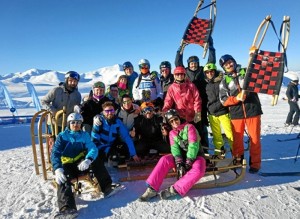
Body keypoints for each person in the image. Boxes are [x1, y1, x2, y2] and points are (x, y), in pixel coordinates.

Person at [139, 109, 206, 201]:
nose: (174, 122)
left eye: (175, 119)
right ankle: (152, 189)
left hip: (196, 155)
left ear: (179, 118)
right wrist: (179, 163)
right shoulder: (172, 133)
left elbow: (193, 145)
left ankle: (174, 189)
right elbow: (174, 149)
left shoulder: (189, 127)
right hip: (182, 157)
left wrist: (188, 162)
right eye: (171, 121)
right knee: (164, 159)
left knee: (199, 170)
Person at [219, 54, 263, 173]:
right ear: (224, 68)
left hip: (252, 110)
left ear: (234, 61)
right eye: (225, 64)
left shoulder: (246, 71)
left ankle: (255, 164)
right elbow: (223, 100)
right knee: (237, 140)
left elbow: (259, 74)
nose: (229, 65)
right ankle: (238, 160)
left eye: (230, 62)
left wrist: (254, 56)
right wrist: (236, 98)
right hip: (236, 114)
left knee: (255, 139)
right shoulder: (224, 81)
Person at [51, 113, 99, 216]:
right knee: (63, 179)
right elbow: (55, 153)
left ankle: (107, 186)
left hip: (80, 164)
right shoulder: (62, 136)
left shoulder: (84, 135)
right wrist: (57, 168)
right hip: (66, 164)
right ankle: (67, 208)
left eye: (78, 123)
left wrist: (88, 160)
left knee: (97, 161)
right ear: (69, 124)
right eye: (73, 122)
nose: (75, 125)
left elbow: (93, 148)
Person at [175, 37, 216, 151]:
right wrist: (181, 49)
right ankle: (191, 148)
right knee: (189, 127)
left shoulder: (203, 71)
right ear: (188, 64)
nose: (193, 65)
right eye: (191, 64)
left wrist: (211, 47)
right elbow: (177, 62)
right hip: (188, 106)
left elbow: (211, 62)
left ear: (198, 63)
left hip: (201, 104)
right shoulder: (185, 72)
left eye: (195, 63)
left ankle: (205, 148)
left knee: (202, 126)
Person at [91, 101, 140, 174]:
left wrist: (133, 153)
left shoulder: (117, 122)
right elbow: (94, 140)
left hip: (111, 145)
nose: (110, 113)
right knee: (114, 159)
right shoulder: (99, 121)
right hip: (100, 147)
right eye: (107, 111)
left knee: (124, 150)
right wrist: (104, 150)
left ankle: (114, 158)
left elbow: (126, 136)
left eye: (112, 110)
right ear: (103, 112)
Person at [162, 66, 203, 149]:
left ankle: (200, 153)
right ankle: (183, 155)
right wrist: (164, 113)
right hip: (180, 118)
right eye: (177, 74)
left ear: (184, 75)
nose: (180, 76)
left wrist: (197, 113)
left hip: (192, 116)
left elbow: (197, 99)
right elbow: (168, 101)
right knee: (182, 137)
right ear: (174, 76)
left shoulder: (191, 86)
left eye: (181, 74)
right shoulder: (172, 88)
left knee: (195, 136)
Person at [41, 71, 81, 143]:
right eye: (70, 81)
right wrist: (54, 111)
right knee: (55, 143)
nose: (73, 83)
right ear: (66, 80)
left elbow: (77, 108)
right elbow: (44, 101)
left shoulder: (77, 94)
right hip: (54, 122)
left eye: (75, 81)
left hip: (68, 124)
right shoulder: (57, 90)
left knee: (67, 144)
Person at [204, 63, 233, 156]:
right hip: (212, 113)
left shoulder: (222, 80)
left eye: (211, 71)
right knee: (216, 136)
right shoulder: (206, 84)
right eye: (207, 72)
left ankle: (236, 153)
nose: (209, 74)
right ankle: (219, 153)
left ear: (215, 71)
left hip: (223, 111)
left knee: (230, 134)